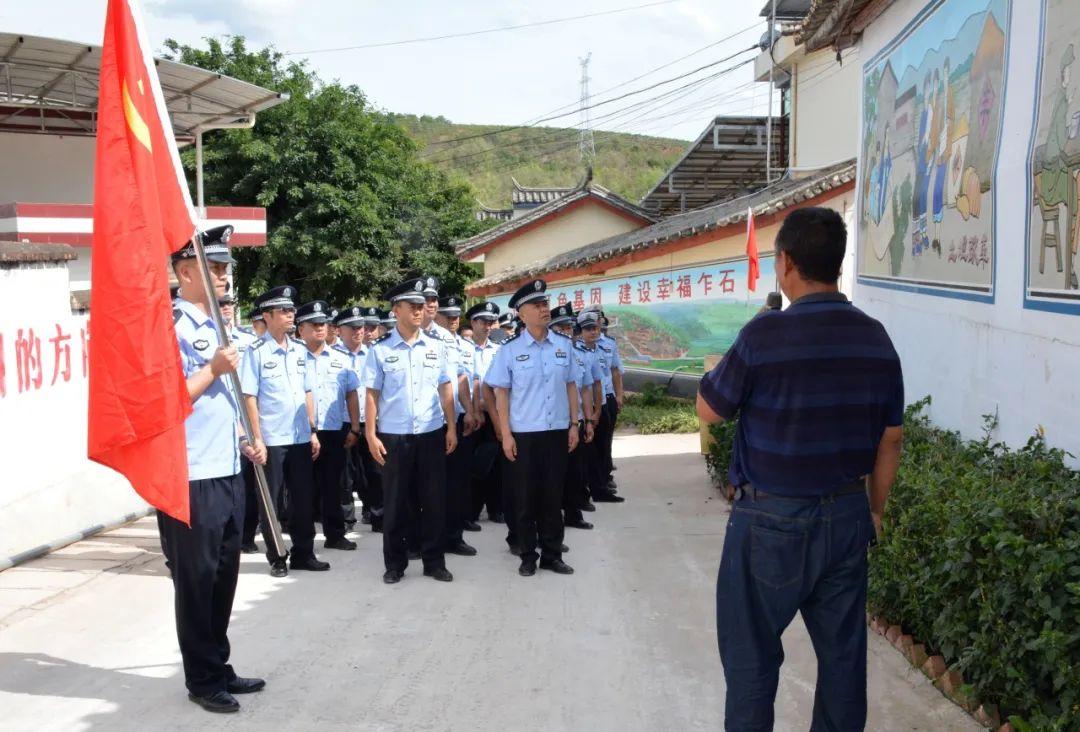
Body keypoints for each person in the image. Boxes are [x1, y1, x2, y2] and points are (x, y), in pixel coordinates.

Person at [696, 207, 904, 731]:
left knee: (751, 662)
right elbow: (891, 438)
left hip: (768, 524)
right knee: (842, 663)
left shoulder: (764, 335)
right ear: (835, 263)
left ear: (786, 263)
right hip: (847, 517)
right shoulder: (875, 338)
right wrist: (874, 511)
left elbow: (710, 409)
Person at [165, 226, 267, 713]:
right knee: (197, 578)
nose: (225, 275)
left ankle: (218, 664)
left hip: (227, 465)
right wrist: (213, 370)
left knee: (225, 574)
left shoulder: (220, 328)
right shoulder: (171, 327)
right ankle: (201, 679)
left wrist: (247, 437)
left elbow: (232, 399)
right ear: (186, 273)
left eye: (226, 267)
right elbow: (165, 400)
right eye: (214, 267)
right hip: (190, 472)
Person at [362, 278, 458, 584]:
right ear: (396, 310)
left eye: (422, 305)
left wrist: (452, 425)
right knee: (395, 503)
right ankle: (395, 564)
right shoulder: (380, 350)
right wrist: (370, 434)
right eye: (413, 306)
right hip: (394, 435)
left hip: (431, 432)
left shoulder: (436, 347)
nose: (419, 311)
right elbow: (371, 394)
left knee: (434, 500)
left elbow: (445, 388)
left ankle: (434, 561)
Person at [484, 279, 579, 577]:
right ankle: (528, 555)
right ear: (521, 314)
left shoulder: (564, 346)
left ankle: (552, 554)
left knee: (553, 496)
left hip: (556, 431)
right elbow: (500, 393)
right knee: (524, 498)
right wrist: (506, 434)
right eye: (536, 305)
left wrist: (575, 424)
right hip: (524, 435)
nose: (543, 309)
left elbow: (572, 386)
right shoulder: (509, 351)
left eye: (545, 303)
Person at [239, 285, 329, 577]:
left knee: (303, 498)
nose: (291, 315)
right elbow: (249, 397)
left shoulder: (300, 350)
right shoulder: (255, 352)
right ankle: (278, 555)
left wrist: (313, 430)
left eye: (291, 310)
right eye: (284, 311)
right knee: (271, 501)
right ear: (267, 316)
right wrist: (257, 438)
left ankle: (304, 553)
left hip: (300, 436)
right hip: (272, 439)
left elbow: (306, 392)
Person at [296, 300, 360, 552]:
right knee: (303, 488)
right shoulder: (294, 356)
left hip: (333, 430)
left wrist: (355, 427)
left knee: (333, 484)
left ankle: (335, 534)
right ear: (301, 329)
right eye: (314, 324)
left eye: (323, 323)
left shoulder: (341, 358)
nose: (320, 328)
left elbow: (352, 394)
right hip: (301, 432)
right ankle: (303, 539)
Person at [435, 294, 479, 557]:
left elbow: (463, 378)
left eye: (456, 317)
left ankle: (454, 536)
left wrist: (471, 411)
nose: (453, 321)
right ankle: (425, 538)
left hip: (457, 418)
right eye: (447, 316)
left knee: (457, 480)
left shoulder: (457, 343)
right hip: (431, 421)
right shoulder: (425, 339)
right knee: (429, 484)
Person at [549, 304, 599, 531]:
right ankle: (550, 519)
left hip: (574, 422)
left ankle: (573, 513)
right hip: (550, 424)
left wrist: (588, 421)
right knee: (551, 476)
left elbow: (586, 389)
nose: (566, 331)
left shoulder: (580, 355)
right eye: (561, 327)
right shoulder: (545, 353)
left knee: (574, 471)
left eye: (569, 327)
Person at [336, 306, 383, 531]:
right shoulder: (333, 355)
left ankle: (377, 515)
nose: (358, 331)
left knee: (375, 471)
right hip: (343, 422)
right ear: (339, 330)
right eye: (352, 328)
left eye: (361, 327)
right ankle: (346, 520)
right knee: (344, 474)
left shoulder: (374, 353)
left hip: (371, 421)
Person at [578, 315, 624, 504]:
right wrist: (590, 415)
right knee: (589, 451)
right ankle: (590, 489)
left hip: (602, 403)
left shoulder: (600, 349)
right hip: (584, 409)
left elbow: (605, 378)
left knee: (603, 447)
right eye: (588, 329)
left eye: (595, 328)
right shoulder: (576, 352)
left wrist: (601, 408)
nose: (593, 332)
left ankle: (601, 485)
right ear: (580, 332)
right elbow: (583, 387)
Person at [465, 301, 503, 527]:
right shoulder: (461, 348)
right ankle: (469, 512)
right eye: (484, 322)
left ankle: (496, 508)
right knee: (472, 467)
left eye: (491, 322)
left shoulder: (498, 350)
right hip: (469, 415)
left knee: (496, 465)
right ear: (473, 322)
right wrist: (473, 407)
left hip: (493, 414)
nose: (488, 326)